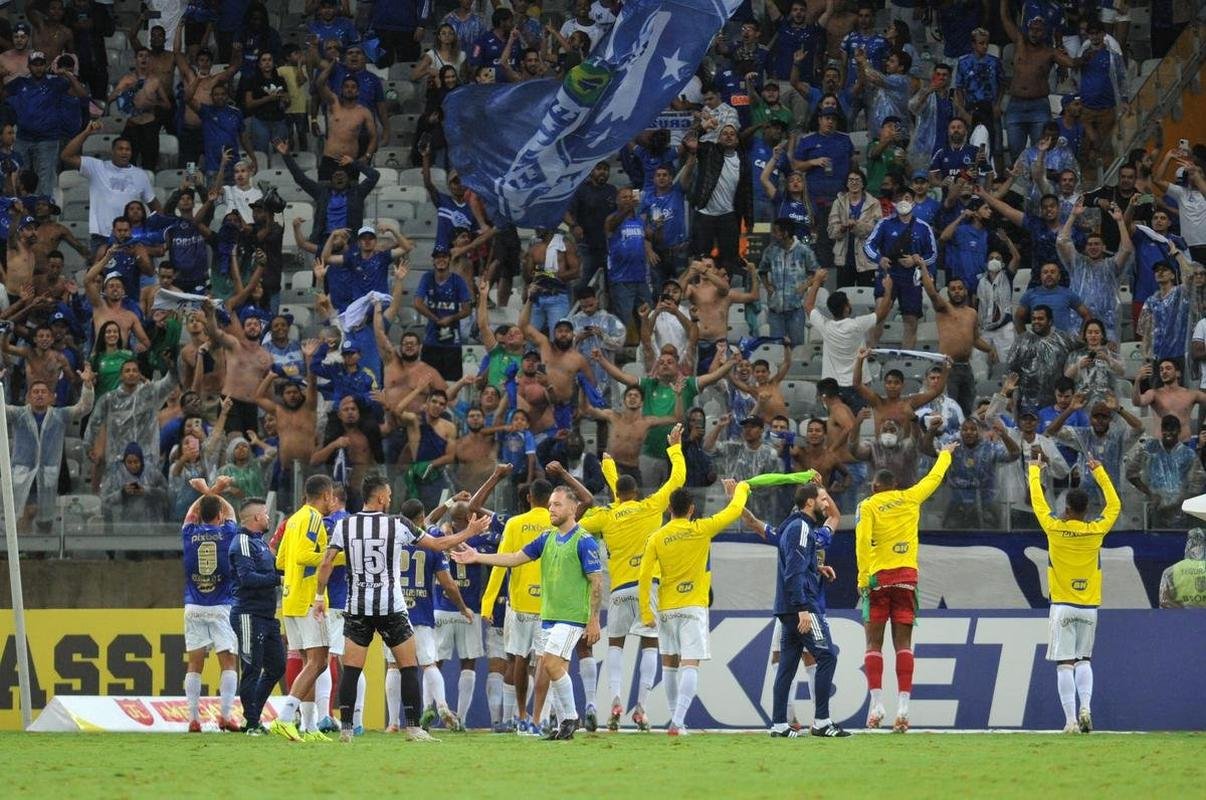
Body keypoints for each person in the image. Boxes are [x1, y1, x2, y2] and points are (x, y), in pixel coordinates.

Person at [314, 474, 487, 742]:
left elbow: (326, 562)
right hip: (391, 606)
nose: (391, 499)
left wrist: (318, 596)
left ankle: (346, 729)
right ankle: (413, 728)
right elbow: (438, 544)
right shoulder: (398, 524)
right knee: (408, 666)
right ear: (381, 497)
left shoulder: (345, 525)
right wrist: (470, 533)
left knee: (351, 669)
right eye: (389, 495)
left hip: (358, 605)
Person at [453, 484, 603, 741]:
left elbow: (597, 582)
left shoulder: (584, 540)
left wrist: (594, 621)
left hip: (571, 617)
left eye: (557, 505)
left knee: (551, 664)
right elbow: (514, 558)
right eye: (550, 504)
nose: (551, 509)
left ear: (573, 508)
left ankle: (570, 717)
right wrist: (477, 557)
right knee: (558, 670)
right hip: (548, 616)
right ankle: (562, 724)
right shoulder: (547, 538)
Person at [578, 424, 684, 731]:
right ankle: (641, 707)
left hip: (619, 590)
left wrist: (608, 469)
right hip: (648, 587)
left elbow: (581, 524)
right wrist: (674, 449)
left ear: (617, 495)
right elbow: (677, 479)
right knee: (650, 644)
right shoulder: (650, 507)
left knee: (615, 644)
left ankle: (614, 698)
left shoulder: (607, 515)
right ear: (636, 493)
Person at [856, 442, 955, 732]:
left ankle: (876, 707)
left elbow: (862, 542)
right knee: (904, 645)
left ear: (874, 487)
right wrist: (946, 454)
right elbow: (933, 479)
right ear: (895, 485)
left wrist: (863, 578)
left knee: (874, 643)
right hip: (906, 579)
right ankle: (903, 710)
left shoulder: (868, 505)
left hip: (877, 580)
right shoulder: (910, 497)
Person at [639, 478, 749, 735]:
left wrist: (646, 611)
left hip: (666, 609)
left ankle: (676, 720)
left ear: (669, 509)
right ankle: (678, 721)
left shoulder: (657, 537)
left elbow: (644, 576)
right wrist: (741, 489)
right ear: (691, 509)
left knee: (669, 664)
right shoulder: (701, 529)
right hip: (693, 607)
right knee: (689, 664)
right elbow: (734, 511)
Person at [1029, 451, 1121, 733]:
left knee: (1064, 664)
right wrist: (1100, 472)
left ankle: (1069, 721)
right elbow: (1115, 505)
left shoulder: (1055, 529)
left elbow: (1038, 504)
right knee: (1084, 660)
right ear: (1086, 511)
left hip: (1062, 607)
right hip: (1089, 608)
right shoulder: (1096, 530)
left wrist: (1035, 471)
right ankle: (1086, 708)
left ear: (1067, 509)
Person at [769, 483, 848, 738]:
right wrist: (802, 608)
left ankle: (779, 724)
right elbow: (793, 571)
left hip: (788, 607)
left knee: (788, 665)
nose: (827, 504)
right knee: (827, 656)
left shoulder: (796, 526)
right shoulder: (801, 527)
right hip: (802, 607)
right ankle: (822, 722)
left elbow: (798, 565)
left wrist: (817, 569)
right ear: (810, 503)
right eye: (823, 499)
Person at [478, 479, 553, 734]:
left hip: (519, 604)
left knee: (518, 659)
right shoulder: (556, 524)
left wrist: (488, 603)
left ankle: (520, 715)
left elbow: (502, 563)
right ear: (551, 499)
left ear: (529, 497)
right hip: (548, 604)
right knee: (544, 661)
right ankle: (540, 718)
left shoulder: (515, 523)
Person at [270, 474, 339, 741]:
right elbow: (301, 556)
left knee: (311, 663)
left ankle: (309, 727)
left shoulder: (293, 519)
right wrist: (336, 557)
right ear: (324, 496)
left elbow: (281, 561)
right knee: (318, 661)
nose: (333, 500)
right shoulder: (312, 519)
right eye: (331, 495)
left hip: (290, 598)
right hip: (310, 600)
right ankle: (285, 718)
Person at [180, 481, 240, 733]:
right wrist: (214, 491)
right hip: (221, 606)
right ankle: (225, 715)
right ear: (219, 516)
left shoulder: (188, 533)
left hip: (193, 606)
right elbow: (232, 513)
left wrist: (204, 493)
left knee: (194, 664)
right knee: (228, 662)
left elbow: (190, 515)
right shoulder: (228, 533)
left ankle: (193, 718)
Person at [7, 370, 94, 531]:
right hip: (24, 472)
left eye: (43, 392)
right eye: (35, 392)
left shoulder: (59, 415)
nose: (39, 395)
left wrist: (87, 385)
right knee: (26, 511)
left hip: (48, 473)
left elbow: (84, 408)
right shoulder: (18, 415)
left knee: (45, 517)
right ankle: (23, 549)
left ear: (51, 397)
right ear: (28, 397)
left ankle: (41, 553)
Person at [227, 496, 284, 736]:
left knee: (276, 667)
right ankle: (251, 723)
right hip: (248, 615)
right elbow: (247, 579)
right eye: (266, 514)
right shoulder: (241, 543)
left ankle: (254, 715)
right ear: (257, 518)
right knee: (252, 668)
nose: (269, 517)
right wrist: (278, 579)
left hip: (266, 616)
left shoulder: (258, 543)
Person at [60, 121, 159, 253]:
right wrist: (86, 133)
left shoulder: (140, 175)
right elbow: (66, 156)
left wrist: (157, 231)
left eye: (127, 149)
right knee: (100, 272)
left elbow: (154, 205)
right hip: (101, 236)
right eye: (120, 149)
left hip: (130, 237)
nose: (124, 152)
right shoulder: (97, 167)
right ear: (112, 151)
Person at [803, 269, 893, 412]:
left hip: (833, 387)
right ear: (846, 307)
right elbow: (882, 313)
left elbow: (808, 305)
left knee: (838, 426)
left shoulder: (825, 326)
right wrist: (888, 289)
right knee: (858, 425)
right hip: (858, 384)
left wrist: (817, 281)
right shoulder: (856, 325)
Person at [1126, 415, 1202, 529]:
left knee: (1178, 543)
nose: (1168, 433)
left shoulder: (1189, 454)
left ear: (1179, 431)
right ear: (1161, 430)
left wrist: (1181, 500)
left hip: (1180, 514)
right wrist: (1150, 493)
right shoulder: (1149, 448)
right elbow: (1131, 473)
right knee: (1154, 542)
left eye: (1172, 429)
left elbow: (1198, 483)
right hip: (1155, 510)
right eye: (1165, 429)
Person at [1006, 305, 1077, 414]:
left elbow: (1085, 345)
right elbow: (1011, 371)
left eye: (1040, 319)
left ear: (1050, 321)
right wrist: (1009, 396)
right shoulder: (1021, 341)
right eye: (1034, 319)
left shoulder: (1063, 339)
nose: (1036, 322)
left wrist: (1105, 344)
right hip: (1027, 404)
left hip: (1056, 403)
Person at [1158, 529, 1206, 608]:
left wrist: (1185, 613)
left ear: (1188, 545)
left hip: (1182, 619)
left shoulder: (1170, 572)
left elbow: (1164, 601)